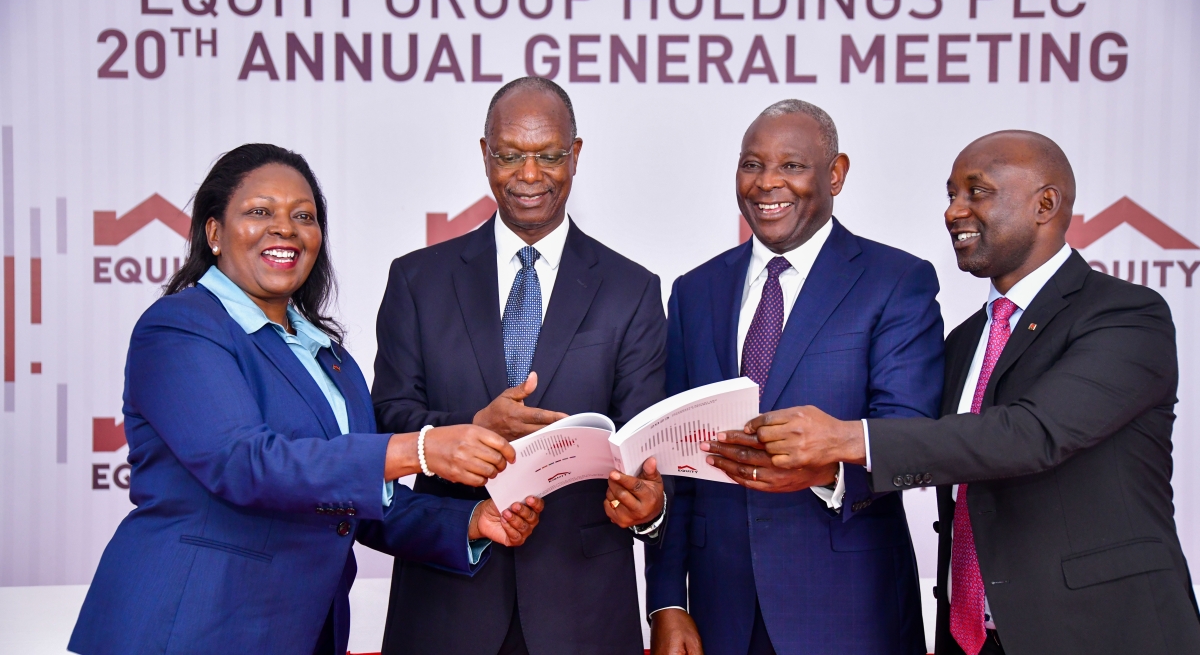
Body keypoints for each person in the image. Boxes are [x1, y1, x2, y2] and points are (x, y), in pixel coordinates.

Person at [68, 144, 545, 655]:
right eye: (259, 212)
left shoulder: (329, 358)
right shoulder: (180, 327)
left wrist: (470, 523)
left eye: (303, 216)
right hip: (190, 628)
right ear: (214, 233)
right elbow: (245, 463)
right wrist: (420, 449)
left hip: (303, 632)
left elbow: (355, 500)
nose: (285, 229)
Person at [747, 130, 1200, 654]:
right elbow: (941, 450)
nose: (954, 211)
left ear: (1045, 204)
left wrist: (847, 438)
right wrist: (828, 473)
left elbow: (1031, 434)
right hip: (972, 639)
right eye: (951, 194)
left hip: (1102, 632)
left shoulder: (1125, 315)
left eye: (977, 192)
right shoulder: (965, 341)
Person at [372, 77, 668, 655]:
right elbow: (388, 418)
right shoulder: (417, 280)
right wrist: (473, 427)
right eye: (510, 155)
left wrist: (649, 507)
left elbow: (644, 444)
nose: (529, 175)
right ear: (485, 155)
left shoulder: (630, 290)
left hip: (582, 612)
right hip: (445, 600)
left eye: (549, 156)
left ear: (575, 155)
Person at [645, 100, 943, 655]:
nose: (766, 183)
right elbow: (673, 460)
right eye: (752, 165)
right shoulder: (694, 291)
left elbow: (911, 438)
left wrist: (826, 473)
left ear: (836, 174)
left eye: (792, 166)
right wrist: (667, 601)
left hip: (849, 611)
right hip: (720, 612)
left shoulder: (896, 281)